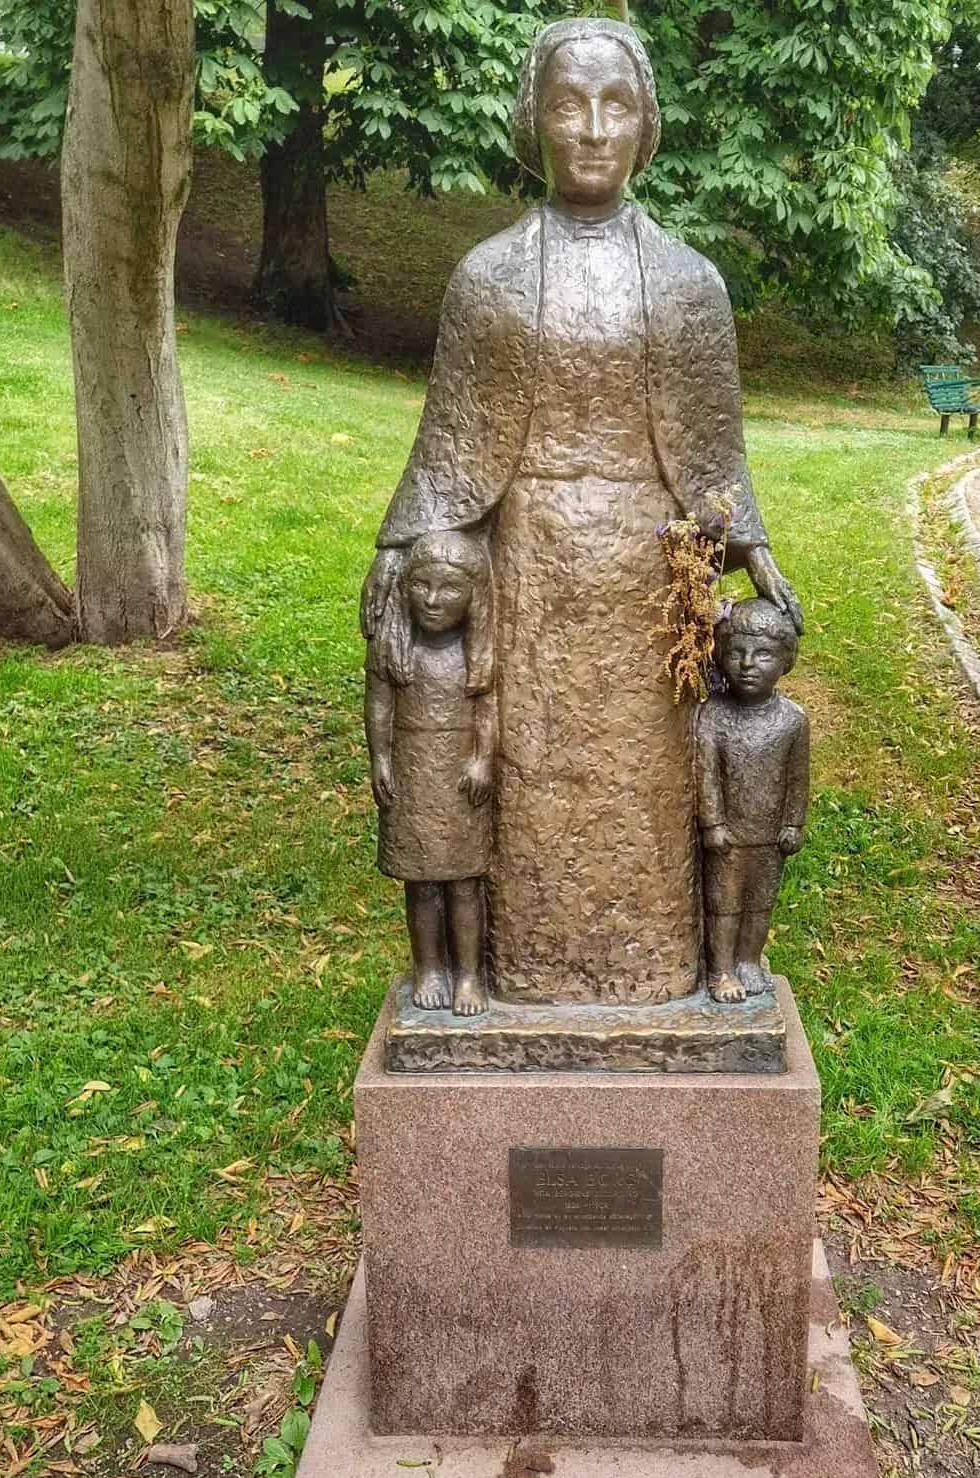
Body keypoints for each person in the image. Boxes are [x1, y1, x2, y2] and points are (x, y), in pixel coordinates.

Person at [360, 18, 802, 1006]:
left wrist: (752, 545)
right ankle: (521, 973)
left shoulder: (691, 284)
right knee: (528, 780)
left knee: (645, 787)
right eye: (569, 106)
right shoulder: (489, 280)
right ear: (535, 123)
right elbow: (451, 449)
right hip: (532, 574)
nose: (594, 128)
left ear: (647, 124)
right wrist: (410, 556)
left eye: (616, 106)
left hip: (653, 585)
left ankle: (650, 971)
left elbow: (713, 449)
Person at [365, 531, 496, 1017]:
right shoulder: (395, 648)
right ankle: (429, 968)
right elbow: (379, 705)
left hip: (462, 783)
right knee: (419, 882)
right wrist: (380, 757)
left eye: (449, 590)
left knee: (464, 882)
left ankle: (467, 975)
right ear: (406, 588)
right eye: (422, 586)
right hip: (412, 775)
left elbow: (488, 707)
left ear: (473, 596)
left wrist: (483, 757)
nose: (434, 600)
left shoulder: (476, 652)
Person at [696, 599, 809, 1003]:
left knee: (760, 903)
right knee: (723, 905)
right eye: (737, 653)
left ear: (785, 661)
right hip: (727, 837)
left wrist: (794, 823)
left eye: (762, 654)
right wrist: (712, 824)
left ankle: (749, 959)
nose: (747, 664)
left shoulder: (792, 720)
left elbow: (798, 778)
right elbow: (705, 775)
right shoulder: (713, 715)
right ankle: (721, 970)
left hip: (769, 835)